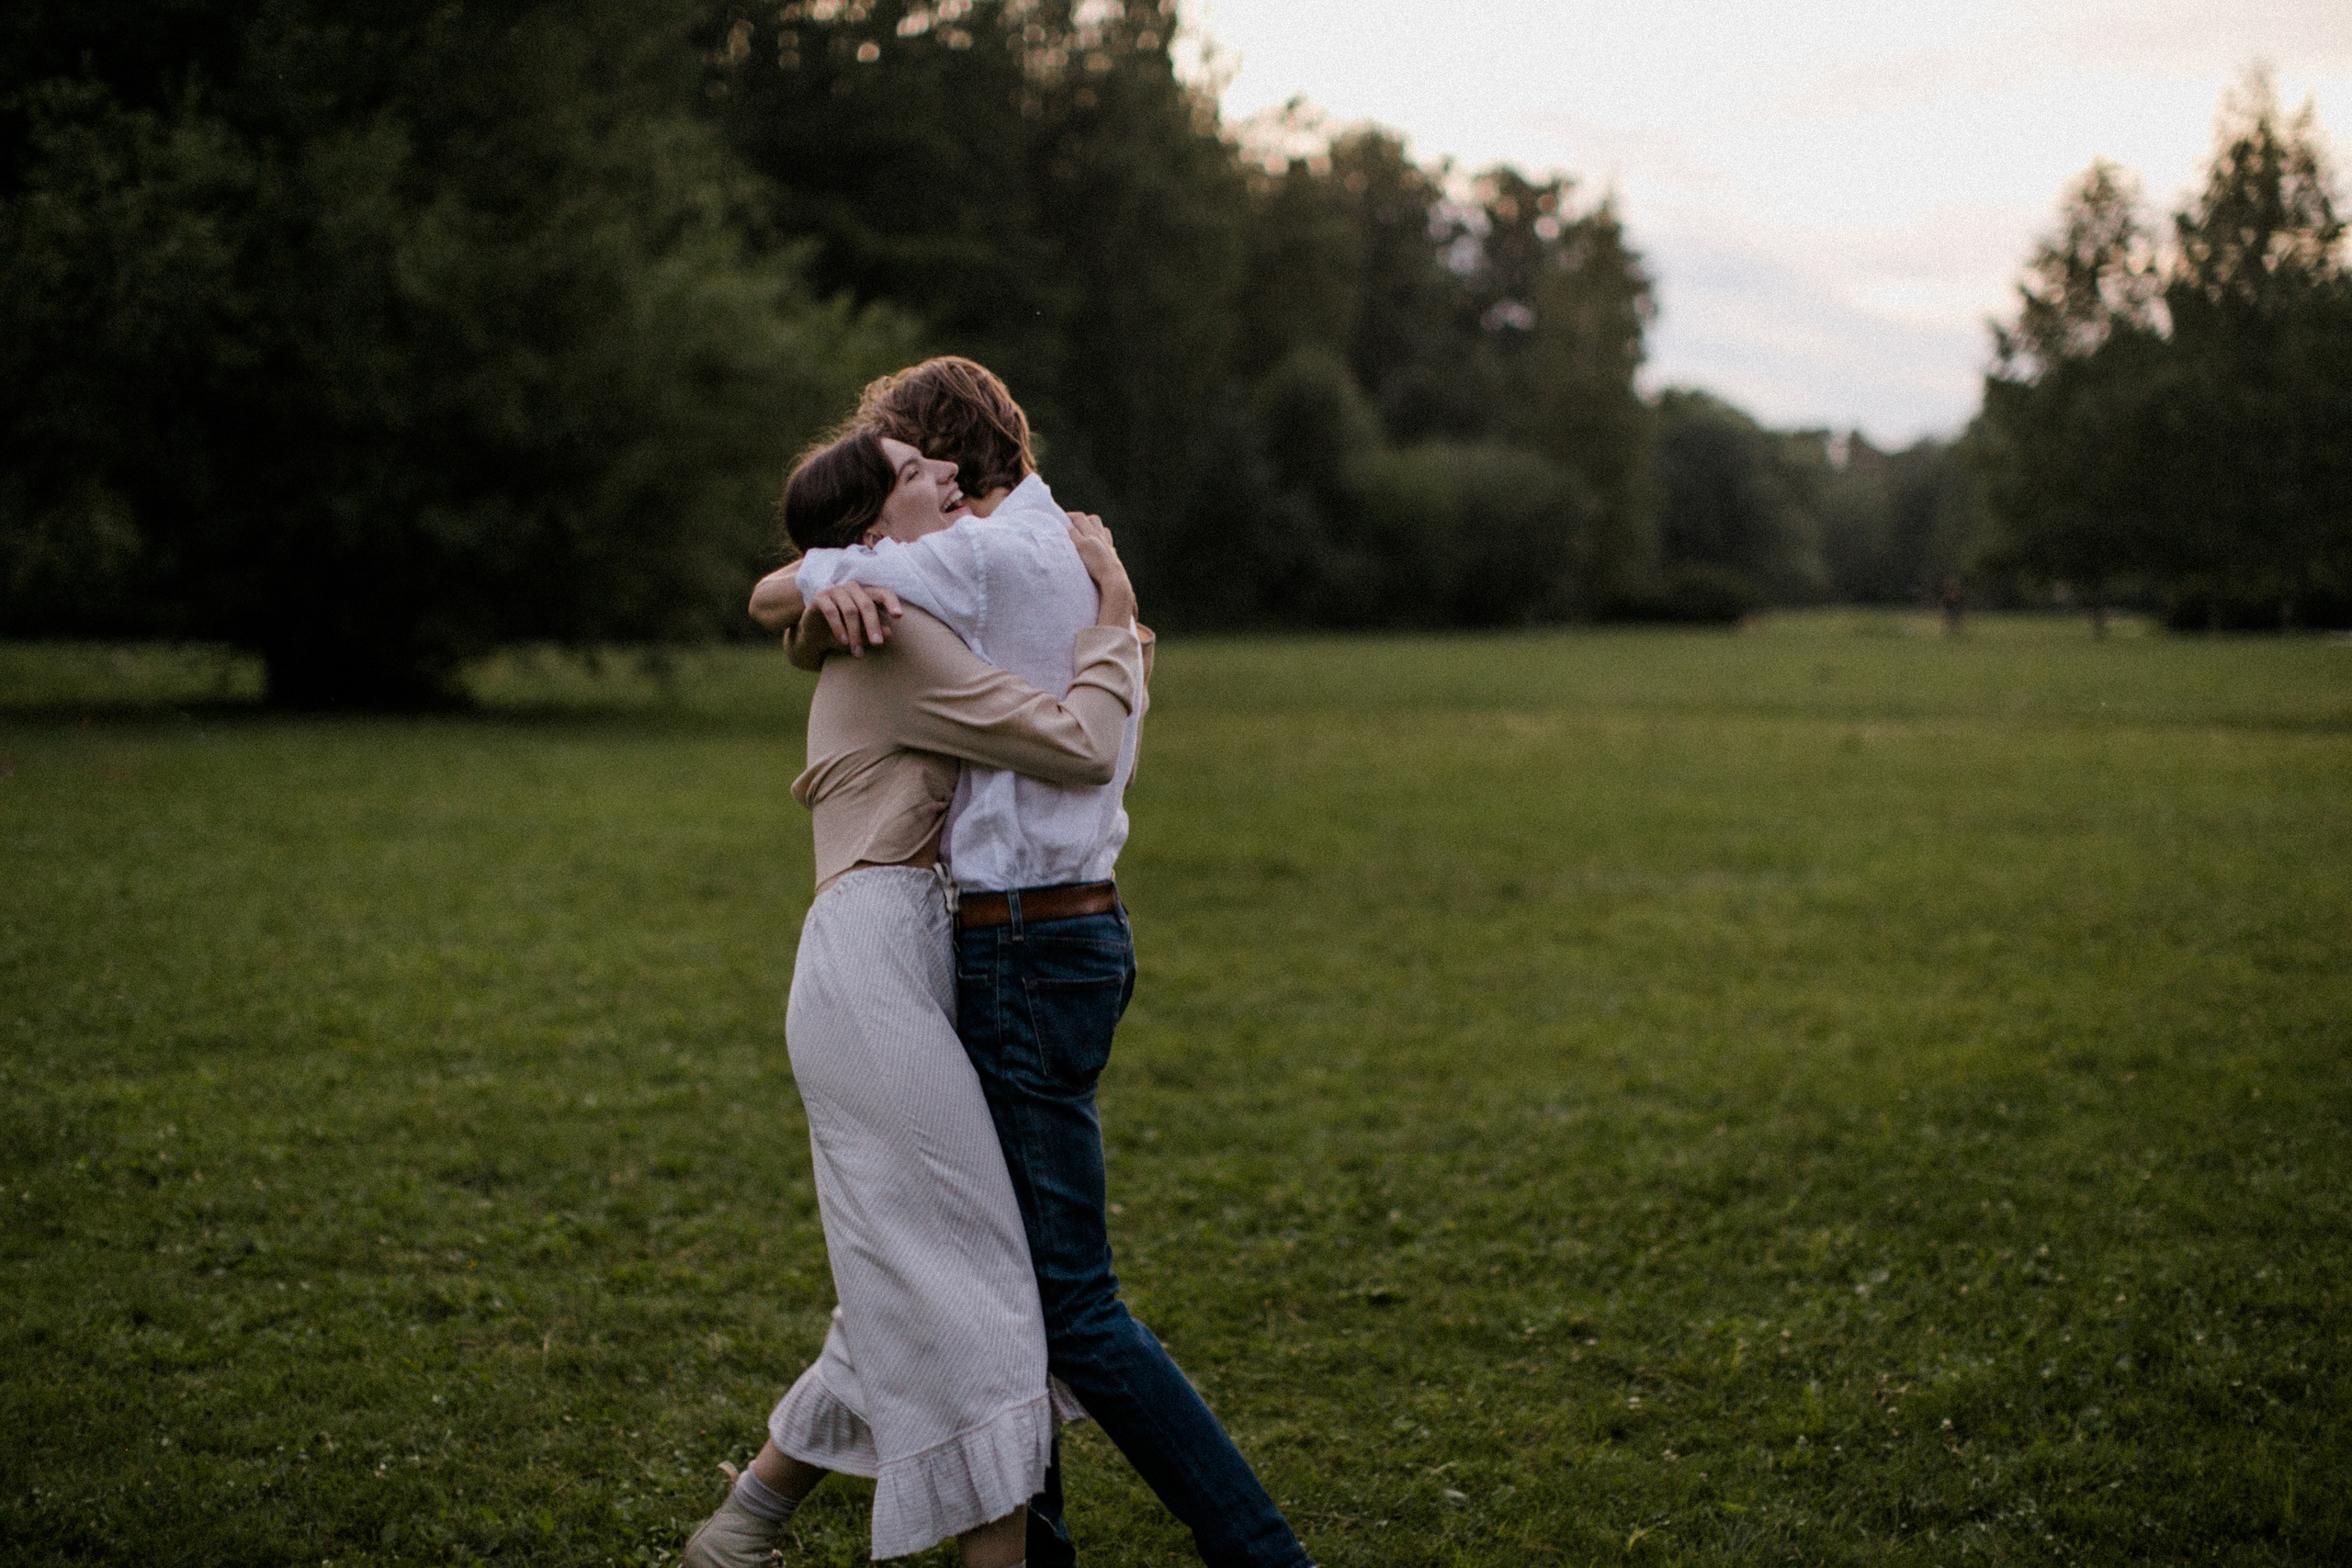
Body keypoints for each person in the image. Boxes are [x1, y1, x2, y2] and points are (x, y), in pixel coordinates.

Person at [751, 358, 1314, 1568]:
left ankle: (1258, 1551)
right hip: (1034, 931)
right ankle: (1005, 1540)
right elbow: (808, 588)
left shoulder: (980, 556)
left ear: (944, 460)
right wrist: (822, 584)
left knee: (1061, 1302)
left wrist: (825, 576)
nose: (923, 485)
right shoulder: (1044, 543)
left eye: (907, 461)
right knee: (999, 1273)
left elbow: (1075, 737)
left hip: (1020, 937)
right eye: (906, 478)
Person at [684, 426, 1149, 1568]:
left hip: (913, 962)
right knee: (981, 1290)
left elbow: (806, 603)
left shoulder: (887, 609)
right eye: (913, 471)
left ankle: (744, 1522)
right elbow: (1081, 747)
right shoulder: (895, 636)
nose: (949, 474)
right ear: (872, 529)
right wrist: (1118, 622)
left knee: (928, 1266)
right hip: (874, 972)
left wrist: (812, 591)